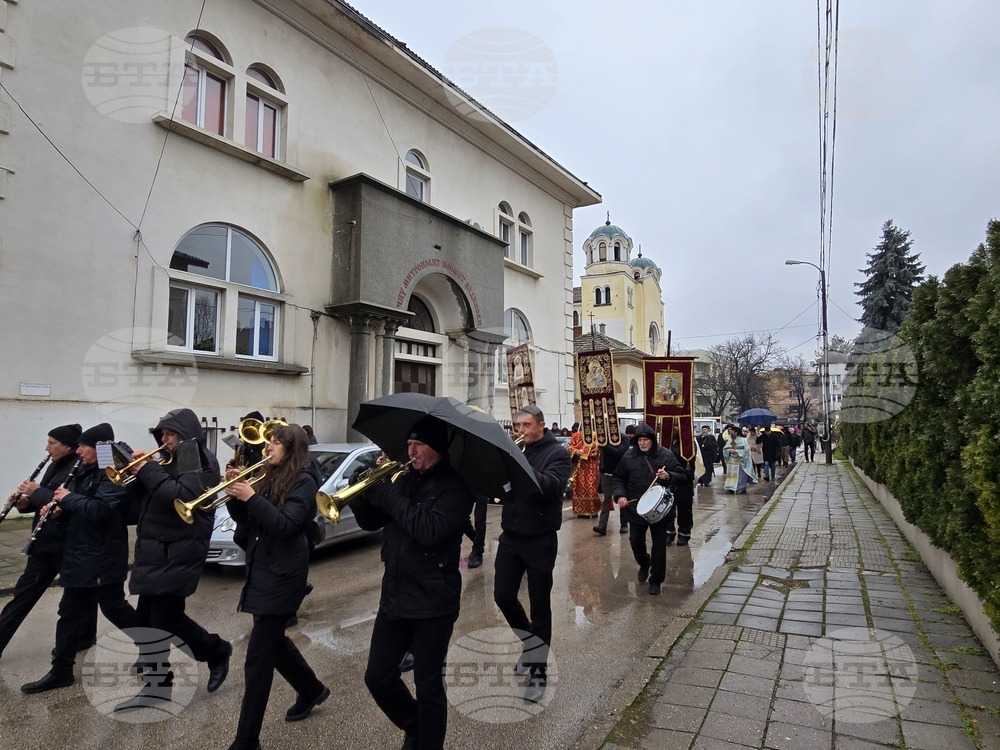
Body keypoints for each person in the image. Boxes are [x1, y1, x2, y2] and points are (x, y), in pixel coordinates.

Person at [352, 416, 474, 750]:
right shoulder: (403, 479)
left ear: (435, 448)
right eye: (408, 444)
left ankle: (428, 743)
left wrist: (389, 494)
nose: (411, 450)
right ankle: (416, 725)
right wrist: (360, 492)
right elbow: (372, 520)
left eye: (418, 444)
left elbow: (429, 530)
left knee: (428, 684)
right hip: (395, 594)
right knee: (377, 677)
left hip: (434, 601)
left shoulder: (457, 488)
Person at [115, 408, 232, 712]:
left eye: (168, 434)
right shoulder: (166, 461)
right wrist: (133, 475)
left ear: (185, 434)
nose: (162, 439)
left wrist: (147, 471)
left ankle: (216, 650)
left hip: (180, 550)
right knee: (146, 622)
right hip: (156, 550)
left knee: (166, 619)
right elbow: (147, 500)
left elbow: (182, 496)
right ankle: (158, 686)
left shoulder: (195, 457)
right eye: (161, 434)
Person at [223, 424, 329, 750]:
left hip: (283, 576)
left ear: (291, 448)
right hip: (264, 569)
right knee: (272, 643)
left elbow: (284, 526)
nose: (269, 446)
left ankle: (246, 740)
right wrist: (235, 493)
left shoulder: (304, 480)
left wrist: (252, 496)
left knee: (258, 658)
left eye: (275, 442)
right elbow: (249, 520)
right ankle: (310, 688)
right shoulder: (271, 476)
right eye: (269, 440)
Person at [21, 423, 139, 694]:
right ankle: (61, 670)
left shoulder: (112, 473)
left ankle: (152, 647)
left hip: (102, 554)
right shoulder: (85, 469)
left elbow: (102, 510)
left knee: (115, 608)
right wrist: (59, 509)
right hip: (79, 552)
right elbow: (79, 504)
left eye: (84, 447)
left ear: (98, 448)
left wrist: (67, 499)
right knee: (69, 612)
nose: (79, 451)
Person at [0, 424, 98, 661]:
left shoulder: (79, 468)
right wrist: (25, 502)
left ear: (68, 446)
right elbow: (44, 501)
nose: (47, 448)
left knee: (79, 595)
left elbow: (68, 503)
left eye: (52, 443)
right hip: (46, 543)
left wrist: (37, 491)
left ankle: (84, 637)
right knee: (24, 595)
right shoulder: (54, 465)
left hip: (67, 544)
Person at [494, 405, 571, 704]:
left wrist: (517, 465)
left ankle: (538, 673)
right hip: (511, 536)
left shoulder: (558, 454)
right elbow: (504, 490)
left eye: (526, 425)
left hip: (540, 539)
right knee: (503, 596)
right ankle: (531, 641)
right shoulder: (519, 451)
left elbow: (550, 487)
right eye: (518, 426)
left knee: (540, 606)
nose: (521, 431)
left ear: (540, 425)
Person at [613, 424, 687, 595]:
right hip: (636, 509)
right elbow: (618, 478)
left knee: (659, 546)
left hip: (659, 509)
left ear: (653, 440)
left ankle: (656, 581)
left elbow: (683, 476)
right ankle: (645, 563)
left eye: (646, 440)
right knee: (635, 540)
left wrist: (669, 476)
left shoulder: (665, 455)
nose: (643, 443)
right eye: (640, 440)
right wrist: (620, 496)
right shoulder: (628, 456)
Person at [593, 424, 634, 535]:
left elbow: (619, 453)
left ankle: (624, 524)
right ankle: (602, 526)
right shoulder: (605, 439)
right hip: (607, 474)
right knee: (606, 500)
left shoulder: (623, 439)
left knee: (622, 499)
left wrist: (605, 445)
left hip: (620, 475)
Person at [568, 429, 601, 517]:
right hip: (579, 467)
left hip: (591, 467)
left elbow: (598, 450)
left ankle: (593, 510)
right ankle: (581, 511)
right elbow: (570, 447)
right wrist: (576, 451)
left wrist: (586, 453)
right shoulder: (575, 435)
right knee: (579, 488)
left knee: (590, 488)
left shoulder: (595, 436)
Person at [723, 426, 755, 494]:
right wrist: (729, 451)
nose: (730, 433)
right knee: (731, 475)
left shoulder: (743, 440)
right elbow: (725, 449)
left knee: (740, 475)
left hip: (740, 461)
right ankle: (730, 487)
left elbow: (746, 450)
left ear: (736, 432)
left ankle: (741, 487)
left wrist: (737, 451)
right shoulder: (730, 440)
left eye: (732, 432)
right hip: (732, 461)